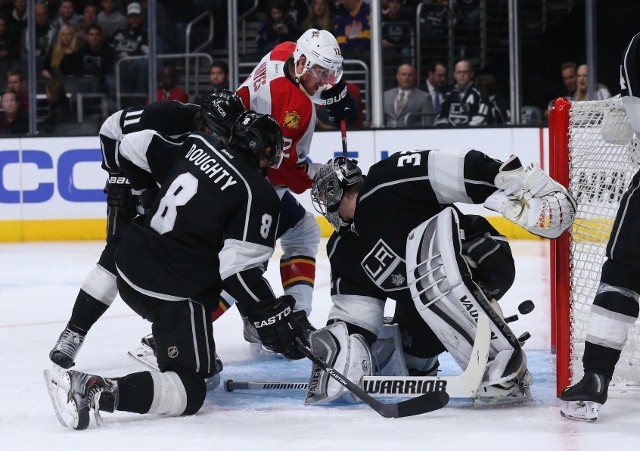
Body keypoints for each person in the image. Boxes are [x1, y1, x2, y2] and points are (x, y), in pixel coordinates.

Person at [43, 111, 307, 431]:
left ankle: (176, 351)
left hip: (127, 264)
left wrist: (148, 192)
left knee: (206, 369)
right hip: (172, 293)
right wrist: (269, 317)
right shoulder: (258, 194)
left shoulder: (199, 143)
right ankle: (97, 389)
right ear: (265, 152)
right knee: (192, 388)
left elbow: (130, 146)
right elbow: (238, 271)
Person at [305, 151, 577, 406]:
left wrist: (498, 175)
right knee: (413, 358)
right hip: (426, 296)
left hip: (481, 253)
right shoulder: (343, 249)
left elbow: (444, 169)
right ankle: (456, 349)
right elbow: (357, 313)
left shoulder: (383, 183)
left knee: (431, 276)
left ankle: (503, 361)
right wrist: (342, 348)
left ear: (333, 194)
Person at [48, 91, 246, 370]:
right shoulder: (169, 117)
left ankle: (178, 338)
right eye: (220, 132)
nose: (225, 140)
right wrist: (120, 177)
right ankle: (74, 333)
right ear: (206, 121)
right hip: (132, 174)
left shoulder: (210, 138)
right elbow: (111, 129)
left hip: (159, 187)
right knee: (115, 256)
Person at [235, 28, 358, 345]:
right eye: (321, 73)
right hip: (250, 185)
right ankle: (169, 336)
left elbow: (314, 78)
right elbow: (286, 171)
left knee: (300, 232)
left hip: (235, 169)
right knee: (243, 263)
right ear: (302, 62)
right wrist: (322, 174)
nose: (324, 80)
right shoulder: (294, 107)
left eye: (329, 74)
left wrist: (336, 92)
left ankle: (292, 315)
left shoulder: (284, 52)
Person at [560, 31, 640, 422]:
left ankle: (595, 379)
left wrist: (625, 112)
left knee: (621, 277)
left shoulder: (638, 46)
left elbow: (625, 124)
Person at [435, 59, 489, 127]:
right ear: (454, 75)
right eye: (459, 72)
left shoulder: (480, 94)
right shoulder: (448, 93)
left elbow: (481, 117)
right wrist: (448, 130)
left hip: (471, 134)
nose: (462, 75)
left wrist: (464, 130)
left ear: (471, 74)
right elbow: (441, 116)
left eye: (465, 72)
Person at [383, 63, 434, 127]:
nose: (406, 78)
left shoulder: (425, 97)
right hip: (387, 134)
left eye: (410, 75)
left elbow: (428, 123)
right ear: (397, 77)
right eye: (403, 74)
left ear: (415, 77)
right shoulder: (386, 95)